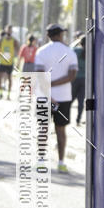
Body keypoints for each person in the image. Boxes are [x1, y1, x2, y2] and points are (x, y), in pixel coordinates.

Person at [35, 23, 78, 173]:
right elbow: (72, 75)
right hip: (64, 97)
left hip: (44, 96)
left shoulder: (41, 51)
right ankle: (60, 162)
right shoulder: (70, 52)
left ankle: (41, 161)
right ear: (60, 35)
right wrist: (54, 84)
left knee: (43, 128)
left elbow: (40, 75)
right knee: (61, 130)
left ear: (48, 35)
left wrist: (48, 88)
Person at [0, 25, 19, 98]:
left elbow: (18, 50)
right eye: (8, 30)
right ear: (6, 30)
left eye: (10, 30)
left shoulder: (14, 40)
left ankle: (8, 95)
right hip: (2, 62)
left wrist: (16, 59)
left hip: (10, 62)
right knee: (0, 78)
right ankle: (1, 94)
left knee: (9, 78)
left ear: (12, 31)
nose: (9, 31)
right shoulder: (1, 39)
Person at [72, 34, 86, 126]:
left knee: (70, 99)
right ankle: (78, 120)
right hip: (85, 79)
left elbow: (69, 48)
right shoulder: (90, 52)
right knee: (81, 101)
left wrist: (77, 41)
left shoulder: (76, 50)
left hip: (75, 78)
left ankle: (63, 118)